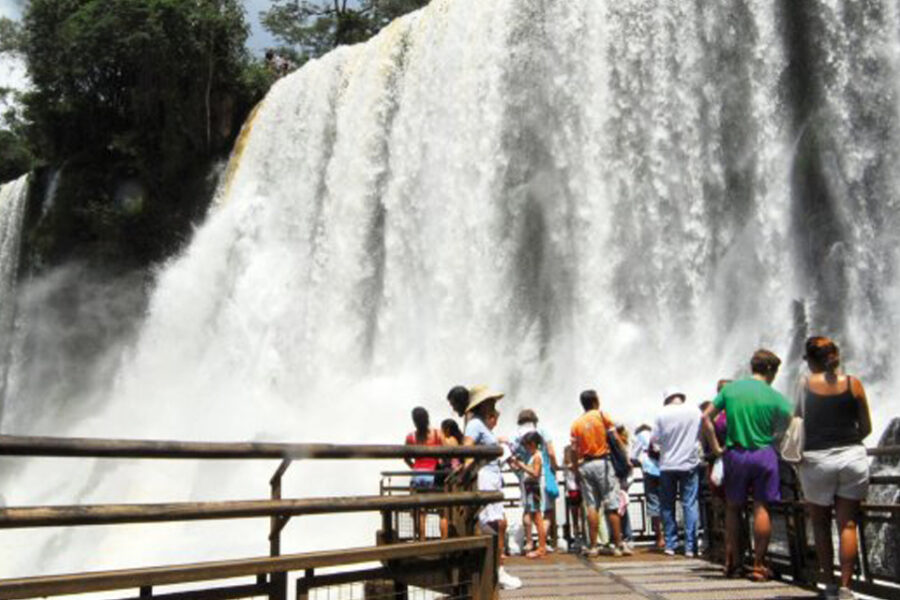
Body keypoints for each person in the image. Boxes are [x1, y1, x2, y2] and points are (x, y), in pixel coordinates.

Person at [703, 349, 793, 581]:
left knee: (733, 508)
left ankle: (734, 563)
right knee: (762, 508)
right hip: (764, 454)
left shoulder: (731, 390)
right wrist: (776, 438)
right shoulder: (775, 396)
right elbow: (791, 423)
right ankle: (758, 565)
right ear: (770, 370)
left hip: (736, 453)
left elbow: (706, 417)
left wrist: (715, 447)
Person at [798, 337, 873, 600]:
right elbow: (866, 427)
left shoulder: (804, 384)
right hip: (852, 457)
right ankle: (846, 588)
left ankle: (828, 585)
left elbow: (797, 421)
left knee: (820, 524)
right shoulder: (854, 384)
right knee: (848, 525)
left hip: (817, 459)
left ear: (810, 360)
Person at [463, 386, 522, 590]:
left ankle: (497, 569)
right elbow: (468, 449)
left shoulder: (482, 425)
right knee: (493, 523)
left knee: (498, 523)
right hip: (485, 477)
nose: (494, 405)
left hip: (492, 476)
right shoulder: (475, 424)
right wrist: (467, 473)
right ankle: (495, 571)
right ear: (482, 404)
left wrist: (497, 441)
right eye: (490, 401)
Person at [570, 389, 632, 557]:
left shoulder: (576, 424)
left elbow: (573, 450)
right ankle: (618, 545)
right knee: (611, 504)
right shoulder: (602, 416)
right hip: (603, 463)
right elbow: (616, 438)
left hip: (585, 465)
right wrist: (626, 457)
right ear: (595, 401)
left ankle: (593, 546)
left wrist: (575, 469)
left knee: (592, 506)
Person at [653, 389, 703, 557]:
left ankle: (670, 544)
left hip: (667, 465)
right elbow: (702, 433)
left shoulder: (661, 414)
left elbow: (655, 441)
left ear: (666, 399)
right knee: (689, 503)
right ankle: (690, 546)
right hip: (689, 463)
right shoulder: (695, 411)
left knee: (667, 505)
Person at [512, 409, 559, 552]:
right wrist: (555, 467)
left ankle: (529, 543)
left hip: (525, 477)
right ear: (535, 420)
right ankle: (542, 543)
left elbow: (512, 457)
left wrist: (519, 468)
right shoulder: (541, 432)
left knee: (528, 510)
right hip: (542, 476)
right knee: (546, 511)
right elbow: (550, 452)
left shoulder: (516, 436)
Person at [404, 407, 443, 540]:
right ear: (427, 418)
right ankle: (444, 540)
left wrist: (414, 467)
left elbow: (405, 457)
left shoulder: (411, 437)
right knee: (442, 510)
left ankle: (422, 539)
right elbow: (446, 453)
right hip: (434, 474)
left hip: (418, 475)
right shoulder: (437, 434)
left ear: (414, 421)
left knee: (421, 511)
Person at [510, 431, 548, 558]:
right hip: (529, 489)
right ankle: (539, 547)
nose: (525, 448)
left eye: (526, 445)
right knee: (532, 516)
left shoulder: (537, 456)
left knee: (538, 519)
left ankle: (541, 548)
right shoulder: (533, 456)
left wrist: (522, 465)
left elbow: (536, 473)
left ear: (532, 444)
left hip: (533, 489)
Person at [632, 424, 664, 549]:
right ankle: (670, 535)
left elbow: (633, 456)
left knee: (653, 503)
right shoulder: (657, 434)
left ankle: (660, 537)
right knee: (666, 502)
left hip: (649, 471)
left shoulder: (639, 437)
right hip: (665, 469)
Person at [438, 418, 465, 538]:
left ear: (447, 429)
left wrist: (439, 437)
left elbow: (444, 452)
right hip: (457, 476)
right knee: (454, 510)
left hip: (450, 476)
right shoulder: (460, 440)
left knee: (445, 513)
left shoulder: (450, 440)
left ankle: (445, 540)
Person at [563, 444, 585, 550]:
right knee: (579, 515)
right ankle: (579, 537)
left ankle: (579, 537)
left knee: (577, 515)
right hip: (576, 489)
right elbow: (572, 467)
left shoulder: (568, 464)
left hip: (574, 489)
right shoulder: (572, 464)